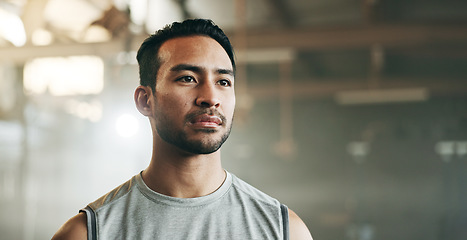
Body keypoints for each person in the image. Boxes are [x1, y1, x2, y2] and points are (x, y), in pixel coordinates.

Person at [52, 19, 313, 240]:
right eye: (187, 78)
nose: (210, 97)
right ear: (145, 101)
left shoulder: (284, 230)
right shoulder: (88, 232)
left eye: (223, 81)